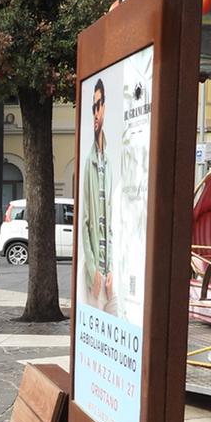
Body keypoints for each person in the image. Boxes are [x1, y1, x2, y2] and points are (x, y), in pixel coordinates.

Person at [80, 79, 116, 314]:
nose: (95, 111)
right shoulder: (88, 163)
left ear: (105, 108)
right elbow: (85, 223)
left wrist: (111, 267)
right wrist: (94, 270)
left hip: (110, 275)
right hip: (94, 278)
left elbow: (112, 225)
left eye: (99, 104)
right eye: (93, 105)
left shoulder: (110, 162)